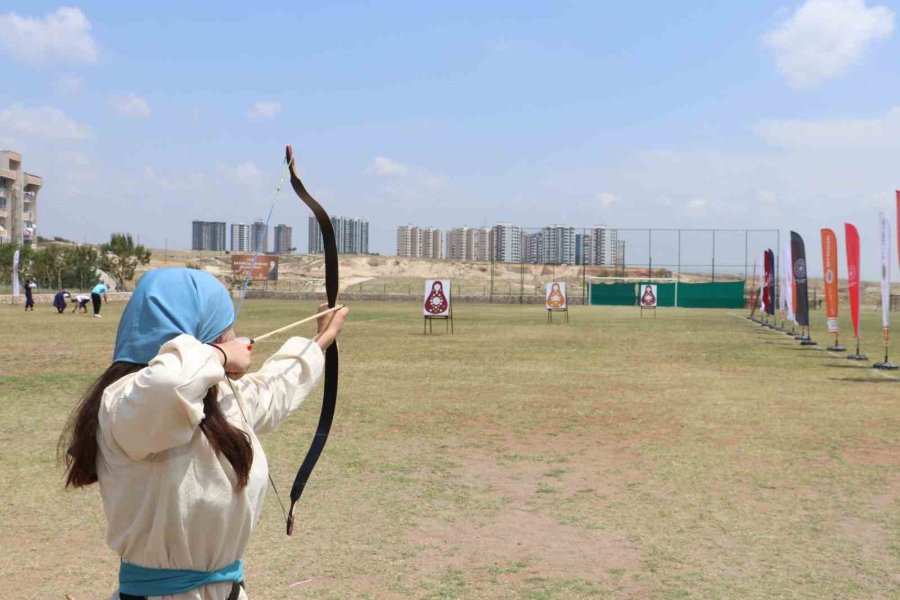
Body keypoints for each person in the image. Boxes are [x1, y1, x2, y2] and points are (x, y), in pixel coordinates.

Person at [59, 268, 347, 600]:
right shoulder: (127, 404)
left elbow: (272, 388)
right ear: (198, 336)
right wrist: (221, 354)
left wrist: (320, 341)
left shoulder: (219, 398)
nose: (234, 334)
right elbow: (170, 383)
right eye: (225, 327)